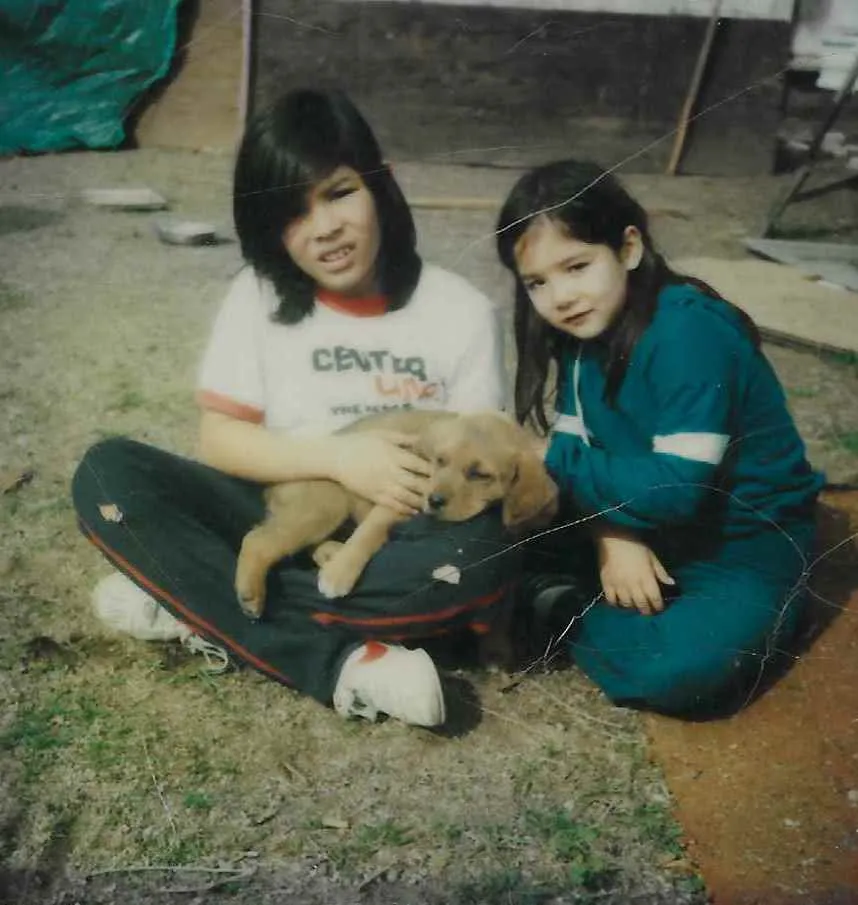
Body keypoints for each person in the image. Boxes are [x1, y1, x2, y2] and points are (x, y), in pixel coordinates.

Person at [71, 88, 515, 728]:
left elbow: (481, 472)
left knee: (482, 552)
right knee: (107, 473)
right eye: (292, 213)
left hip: (399, 539)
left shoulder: (462, 312)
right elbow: (220, 440)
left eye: (339, 193)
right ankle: (343, 662)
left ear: (380, 185)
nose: (324, 228)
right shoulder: (255, 298)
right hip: (270, 508)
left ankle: (191, 595)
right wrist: (339, 457)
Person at [495, 158, 824, 718]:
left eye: (576, 266)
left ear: (628, 249)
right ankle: (561, 592)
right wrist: (613, 538)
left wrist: (551, 454)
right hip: (639, 518)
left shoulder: (688, 331)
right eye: (538, 282)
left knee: (678, 671)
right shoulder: (581, 338)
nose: (561, 296)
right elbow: (580, 466)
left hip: (739, 544)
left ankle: (564, 607)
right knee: (488, 534)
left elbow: (674, 490)